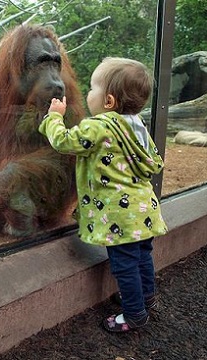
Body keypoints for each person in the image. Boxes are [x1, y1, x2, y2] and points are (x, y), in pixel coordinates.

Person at [38, 57, 168, 333]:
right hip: (144, 211)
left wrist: (54, 118)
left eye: (92, 88)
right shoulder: (137, 126)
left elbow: (64, 142)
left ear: (108, 101)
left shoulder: (99, 126)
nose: (88, 93)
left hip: (120, 217)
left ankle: (134, 315)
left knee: (123, 266)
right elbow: (154, 161)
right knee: (143, 256)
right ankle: (146, 297)